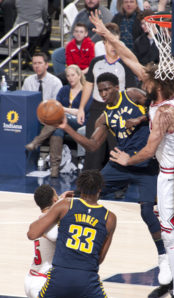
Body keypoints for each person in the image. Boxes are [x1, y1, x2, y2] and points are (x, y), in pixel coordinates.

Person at [87, 11, 174, 298]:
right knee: (170, 229)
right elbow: (126, 55)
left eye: (145, 78)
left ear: (156, 84)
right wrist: (107, 35)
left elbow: (148, 150)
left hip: (173, 176)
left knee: (171, 234)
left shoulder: (163, 112)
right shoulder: (159, 93)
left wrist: (127, 159)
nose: (140, 79)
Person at [59, 72, 173, 298]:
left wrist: (139, 119)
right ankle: (72, 252)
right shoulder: (104, 117)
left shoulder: (132, 95)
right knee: (83, 196)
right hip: (121, 162)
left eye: (107, 89)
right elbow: (92, 145)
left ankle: (164, 258)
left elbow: (158, 108)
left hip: (145, 162)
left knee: (147, 211)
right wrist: (67, 128)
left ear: (117, 87)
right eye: (100, 91)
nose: (103, 94)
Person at [27, 170, 117, 298]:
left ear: (79, 187)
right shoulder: (110, 218)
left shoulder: (65, 205)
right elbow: (100, 258)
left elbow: (32, 233)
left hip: (59, 278)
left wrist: (55, 207)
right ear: (100, 188)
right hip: (87, 279)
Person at [77, 22, 137, 171]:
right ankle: (89, 182)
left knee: (117, 147)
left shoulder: (125, 64)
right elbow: (89, 85)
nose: (113, 46)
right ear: (104, 44)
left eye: (115, 42)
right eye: (109, 43)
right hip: (98, 108)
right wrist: (81, 108)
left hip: (118, 110)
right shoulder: (96, 62)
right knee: (93, 149)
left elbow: (130, 91)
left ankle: (119, 185)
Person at [25, 64, 92, 178]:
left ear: (79, 75)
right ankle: (55, 168)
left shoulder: (86, 90)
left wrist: (65, 109)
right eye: (68, 76)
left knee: (57, 119)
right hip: (62, 122)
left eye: (73, 75)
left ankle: (37, 142)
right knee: (57, 130)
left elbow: (82, 111)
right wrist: (63, 111)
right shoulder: (64, 89)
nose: (70, 78)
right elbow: (56, 107)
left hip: (80, 122)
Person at [24, 184, 74, 298]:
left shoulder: (41, 222)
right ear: (54, 200)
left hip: (33, 278)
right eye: (57, 195)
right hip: (42, 282)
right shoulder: (50, 228)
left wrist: (60, 200)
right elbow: (64, 239)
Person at [51, 0, 113, 75]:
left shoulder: (105, 14)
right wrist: (69, 41)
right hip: (78, 47)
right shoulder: (81, 14)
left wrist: (86, 45)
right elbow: (73, 31)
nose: (90, 1)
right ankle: (67, 80)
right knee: (57, 55)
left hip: (95, 49)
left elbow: (102, 34)